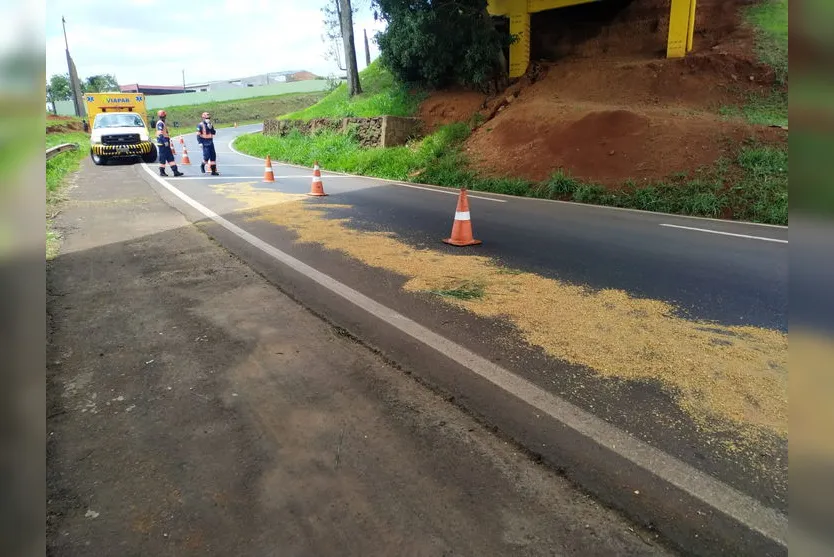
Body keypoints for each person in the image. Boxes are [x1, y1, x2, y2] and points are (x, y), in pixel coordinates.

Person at [155, 110, 183, 177]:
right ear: (164, 116)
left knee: (170, 157)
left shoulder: (162, 122)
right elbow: (160, 133)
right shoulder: (160, 123)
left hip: (165, 143)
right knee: (163, 158)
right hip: (162, 144)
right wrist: (164, 141)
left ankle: (175, 171)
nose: (165, 117)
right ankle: (162, 171)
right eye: (164, 116)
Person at [196, 111, 218, 175]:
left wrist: (211, 128)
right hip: (204, 142)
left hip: (211, 142)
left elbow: (214, 133)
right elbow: (198, 135)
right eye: (206, 119)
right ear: (203, 119)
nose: (208, 120)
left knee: (213, 156)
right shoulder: (200, 125)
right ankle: (202, 165)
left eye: (209, 118)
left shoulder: (210, 124)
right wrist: (200, 142)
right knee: (206, 156)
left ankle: (213, 171)